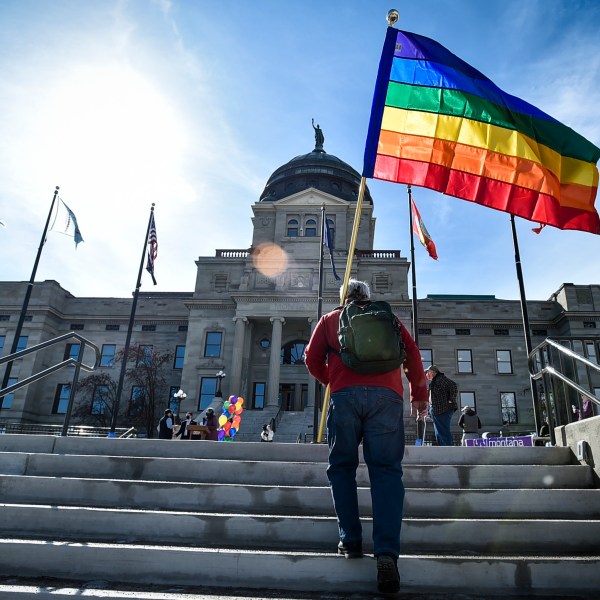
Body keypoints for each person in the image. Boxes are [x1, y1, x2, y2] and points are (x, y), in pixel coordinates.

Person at [305, 279, 428, 596]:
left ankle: (351, 539)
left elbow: (310, 358)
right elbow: (412, 355)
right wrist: (418, 396)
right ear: (369, 297)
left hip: (345, 397)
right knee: (386, 473)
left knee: (342, 468)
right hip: (387, 399)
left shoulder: (331, 319)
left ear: (344, 298)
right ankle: (386, 553)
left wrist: (332, 381)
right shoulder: (389, 318)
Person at [425, 365, 458, 446]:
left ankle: (447, 450)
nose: (427, 374)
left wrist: (451, 400)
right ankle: (443, 449)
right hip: (437, 409)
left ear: (434, 372)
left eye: (428, 372)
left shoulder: (440, 379)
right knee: (439, 431)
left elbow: (453, 385)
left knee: (442, 431)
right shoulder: (435, 381)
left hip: (443, 409)